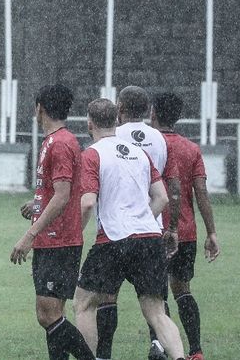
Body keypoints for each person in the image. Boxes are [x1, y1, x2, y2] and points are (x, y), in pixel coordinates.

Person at [73, 98, 187, 360]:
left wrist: (75, 235)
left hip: (113, 239)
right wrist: (141, 219)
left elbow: (88, 202)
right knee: (156, 312)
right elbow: (162, 198)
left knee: (84, 303)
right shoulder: (141, 154)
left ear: (89, 123)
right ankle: (180, 358)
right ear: (116, 120)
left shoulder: (92, 154)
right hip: (149, 237)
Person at [10, 85, 94, 360]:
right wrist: (37, 204)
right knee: (54, 314)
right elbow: (61, 194)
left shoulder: (59, 143)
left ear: (40, 108)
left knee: (46, 315)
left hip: (57, 240)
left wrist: (29, 235)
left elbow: (62, 196)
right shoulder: (59, 140)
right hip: (58, 237)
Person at [152, 92, 221, 360]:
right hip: (186, 232)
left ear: (153, 113)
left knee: (155, 296)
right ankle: (195, 350)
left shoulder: (149, 145)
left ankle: (159, 347)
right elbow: (201, 192)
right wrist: (211, 232)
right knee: (182, 289)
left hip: (153, 229)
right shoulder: (191, 149)